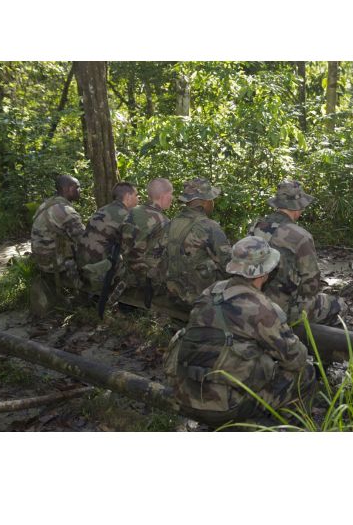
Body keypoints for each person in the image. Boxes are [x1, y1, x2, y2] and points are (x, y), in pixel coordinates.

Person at [163, 235, 316, 427]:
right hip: (225, 407)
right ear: (265, 272)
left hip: (184, 395)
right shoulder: (260, 307)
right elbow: (296, 358)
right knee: (306, 372)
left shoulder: (210, 292)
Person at [250, 179, 346, 325]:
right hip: (282, 309)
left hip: (252, 301)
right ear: (297, 207)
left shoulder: (255, 226)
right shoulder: (300, 236)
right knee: (339, 304)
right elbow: (311, 286)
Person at [165, 177, 232, 308]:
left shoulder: (172, 222)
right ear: (205, 202)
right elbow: (228, 264)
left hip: (173, 293)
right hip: (200, 297)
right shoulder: (209, 226)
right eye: (212, 199)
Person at [78, 182, 138, 291]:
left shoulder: (103, 209)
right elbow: (134, 247)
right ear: (128, 197)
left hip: (82, 265)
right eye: (136, 195)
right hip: (98, 272)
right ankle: (126, 306)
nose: (138, 199)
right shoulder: (125, 215)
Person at [31, 174, 85, 290]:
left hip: (41, 260)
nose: (80, 190)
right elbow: (84, 241)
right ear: (69, 189)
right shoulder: (66, 211)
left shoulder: (45, 204)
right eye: (78, 187)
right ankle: (83, 293)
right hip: (56, 264)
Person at [120, 178, 173, 296]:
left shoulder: (132, 211)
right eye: (171, 194)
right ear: (163, 196)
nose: (172, 198)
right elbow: (162, 256)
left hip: (126, 273)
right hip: (147, 282)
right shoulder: (163, 221)